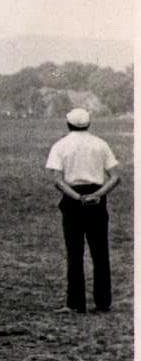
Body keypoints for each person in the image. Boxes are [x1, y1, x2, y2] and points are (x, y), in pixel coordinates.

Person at [45, 108, 121, 313]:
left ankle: (75, 303)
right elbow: (115, 176)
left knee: (75, 253)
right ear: (88, 124)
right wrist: (98, 194)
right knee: (100, 253)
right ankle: (103, 302)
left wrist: (77, 197)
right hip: (97, 199)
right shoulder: (100, 144)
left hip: (72, 201)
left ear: (68, 124)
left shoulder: (60, 146)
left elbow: (57, 180)